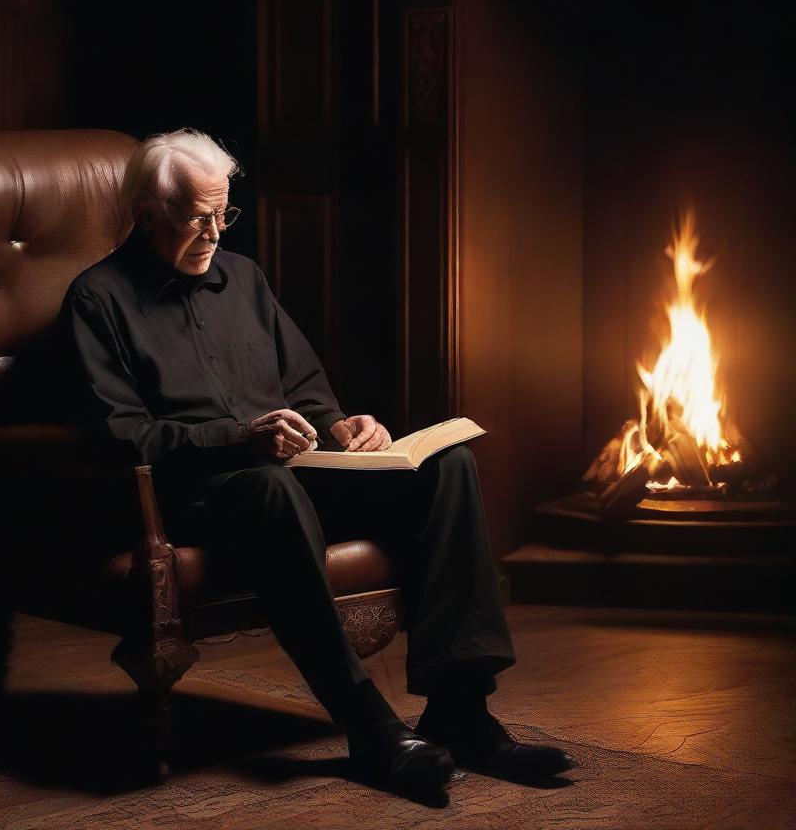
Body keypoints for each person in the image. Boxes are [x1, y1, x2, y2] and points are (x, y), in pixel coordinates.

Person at [65, 128, 575, 795]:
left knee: (446, 468)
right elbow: (121, 435)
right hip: (198, 494)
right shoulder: (97, 299)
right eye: (199, 217)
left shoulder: (243, 279)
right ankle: (369, 725)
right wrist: (238, 436)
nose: (217, 232)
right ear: (147, 216)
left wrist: (343, 426)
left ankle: (462, 712)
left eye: (226, 214)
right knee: (270, 489)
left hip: (290, 472)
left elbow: (304, 384)